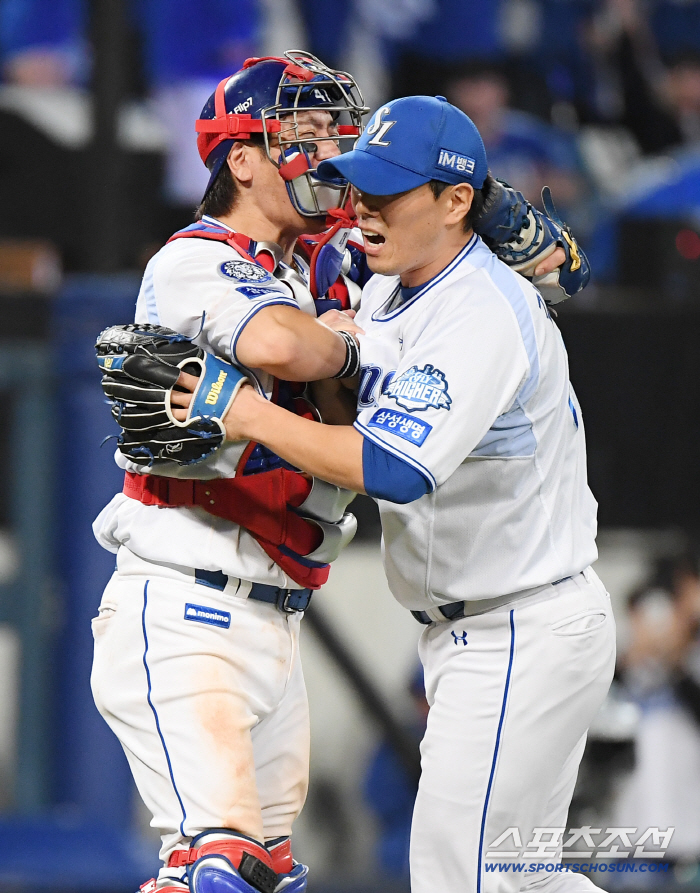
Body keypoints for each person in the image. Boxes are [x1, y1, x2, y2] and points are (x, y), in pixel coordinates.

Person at [92, 53, 584, 893]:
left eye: (335, 134)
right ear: (241, 157)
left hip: (276, 609)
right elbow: (292, 345)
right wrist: (346, 340)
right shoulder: (195, 257)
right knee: (224, 871)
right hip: (182, 596)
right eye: (303, 134)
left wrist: (485, 200)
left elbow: (562, 273)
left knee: (273, 873)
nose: (326, 154)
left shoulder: (347, 256)